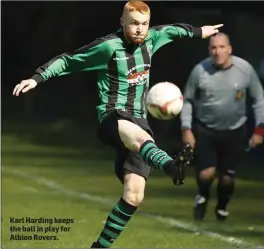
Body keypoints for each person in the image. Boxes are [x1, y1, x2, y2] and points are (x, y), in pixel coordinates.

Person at [13, 0, 223, 247]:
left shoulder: (153, 39)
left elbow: (174, 30)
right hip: (113, 117)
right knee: (142, 139)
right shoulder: (108, 47)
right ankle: (170, 166)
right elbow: (70, 60)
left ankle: (99, 247)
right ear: (122, 22)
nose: (139, 29)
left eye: (144, 24)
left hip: (139, 120)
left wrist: (200, 31)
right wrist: (37, 78)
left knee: (134, 195)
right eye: (133, 23)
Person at [180, 32, 264, 222]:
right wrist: (186, 129)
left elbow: (259, 99)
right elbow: (187, 101)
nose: (217, 52)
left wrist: (260, 129)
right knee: (206, 174)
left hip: (235, 131)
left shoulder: (245, 70)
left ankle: (222, 207)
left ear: (230, 49)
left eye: (221, 47)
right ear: (209, 50)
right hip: (206, 130)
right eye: (213, 48)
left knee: (227, 178)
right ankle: (202, 196)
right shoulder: (200, 71)